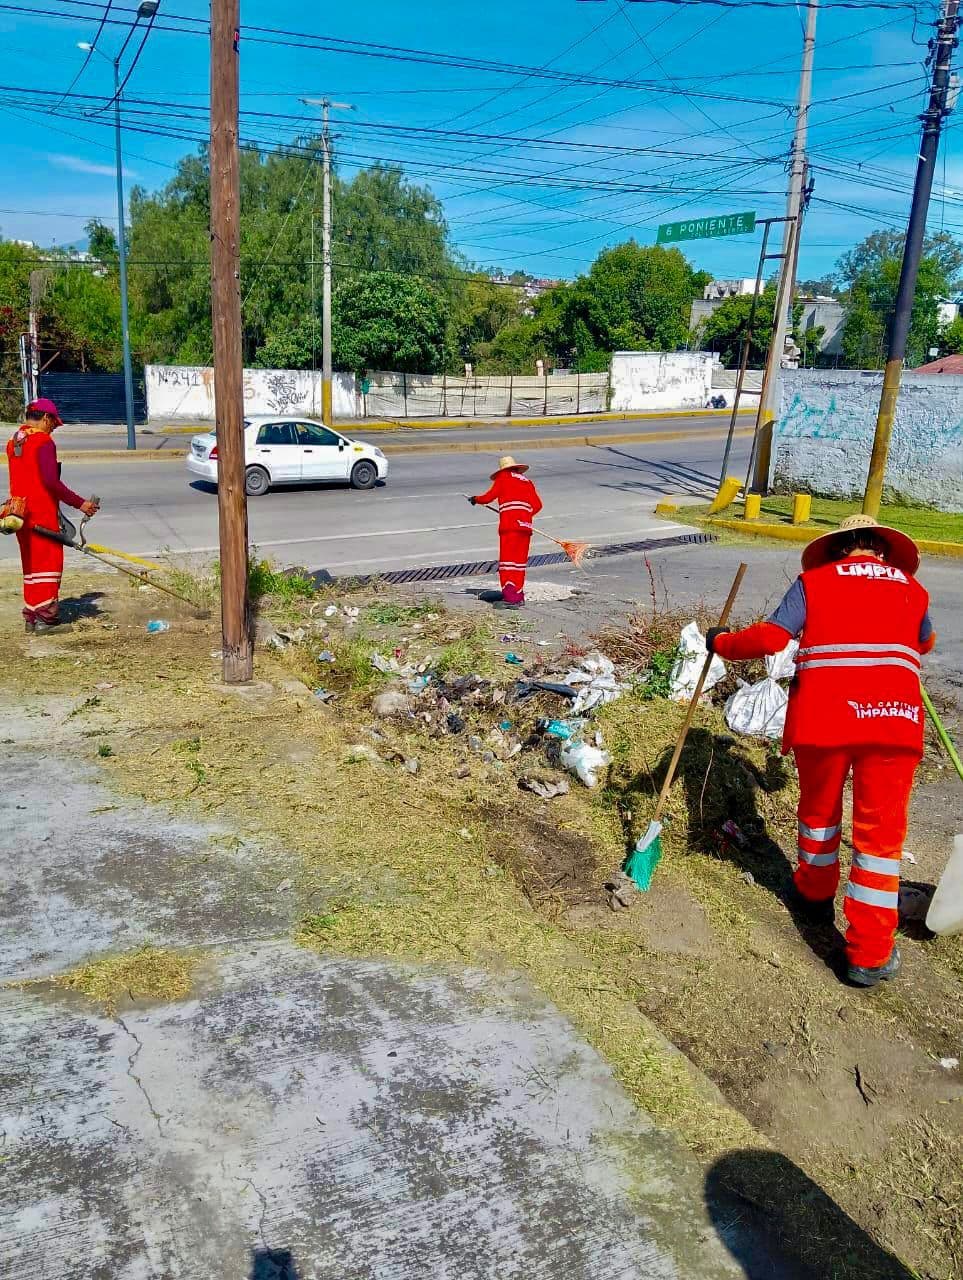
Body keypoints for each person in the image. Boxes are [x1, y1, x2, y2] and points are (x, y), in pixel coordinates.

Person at [707, 514, 934, 988]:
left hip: (824, 719)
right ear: (880, 549)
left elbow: (771, 639)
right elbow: (925, 641)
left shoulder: (815, 581)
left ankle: (812, 897)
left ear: (838, 549)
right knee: (879, 841)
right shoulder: (913, 589)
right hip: (894, 722)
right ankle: (868, 956)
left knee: (818, 812)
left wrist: (721, 643)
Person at [5, 399, 99, 632]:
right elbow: (50, 482)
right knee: (48, 563)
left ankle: (31, 616)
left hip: (19, 514)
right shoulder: (43, 442)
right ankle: (46, 620)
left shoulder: (14, 441)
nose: (53, 429)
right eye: (53, 424)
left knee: (31, 565)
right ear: (46, 419)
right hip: (41, 514)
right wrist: (81, 504)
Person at [469, 455, 542, 607]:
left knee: (508, 561)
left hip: (509, 526)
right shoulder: (527, 481)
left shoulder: (503, 478)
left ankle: (510, 597)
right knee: (519, 562)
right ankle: (518, 595)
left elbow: (488, 497)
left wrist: (475, 499)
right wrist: (524, 516)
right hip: (525, 527)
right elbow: (537, 505)